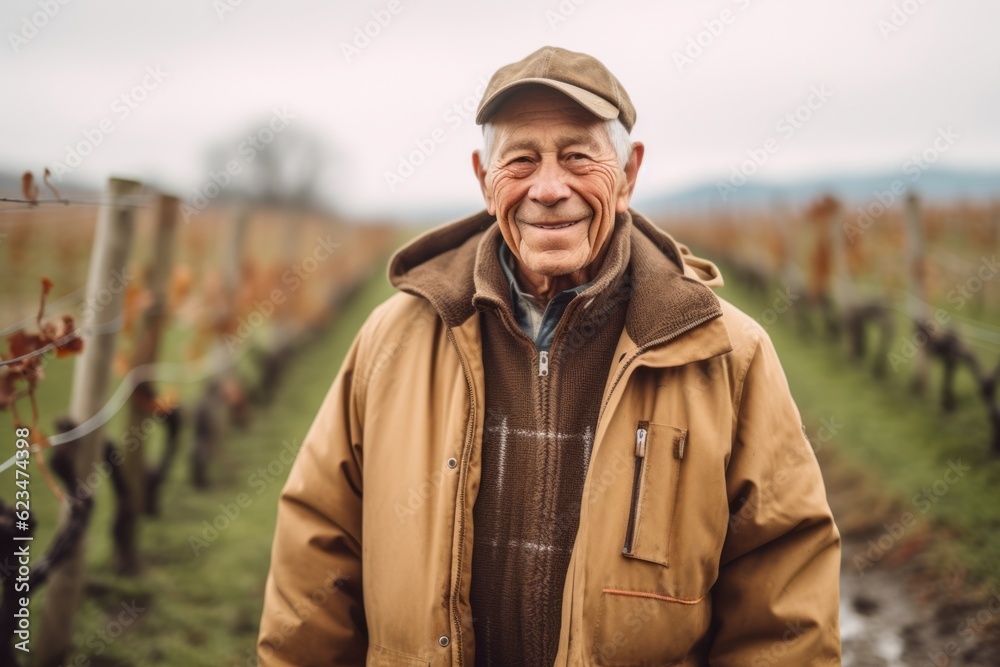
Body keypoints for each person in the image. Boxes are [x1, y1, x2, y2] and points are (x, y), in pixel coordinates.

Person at [257, 46, 841, 666]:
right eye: (522, 160)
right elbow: (317, 555)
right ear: (485, 179)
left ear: (629, 173)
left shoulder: (726, 353)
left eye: (578, 155)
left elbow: (782, 585)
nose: (550, 188)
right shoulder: (392, 341)